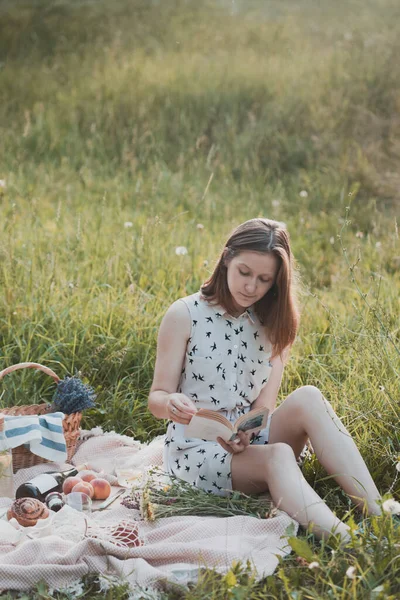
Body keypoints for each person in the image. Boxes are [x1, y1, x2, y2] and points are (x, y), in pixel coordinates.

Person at [148, 218, 383, 543]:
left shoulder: (274, 322)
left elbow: (263, 406)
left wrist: (248, 430)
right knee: (279, 455)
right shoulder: (184, 315)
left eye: (264, 280)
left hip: (245, 445)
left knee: (309, 397)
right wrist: (170, 403)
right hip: (195, 452)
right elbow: (156, 398)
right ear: (227, 257)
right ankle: (349, 542)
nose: (250, 287)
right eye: (244, 272)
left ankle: (380, 515)